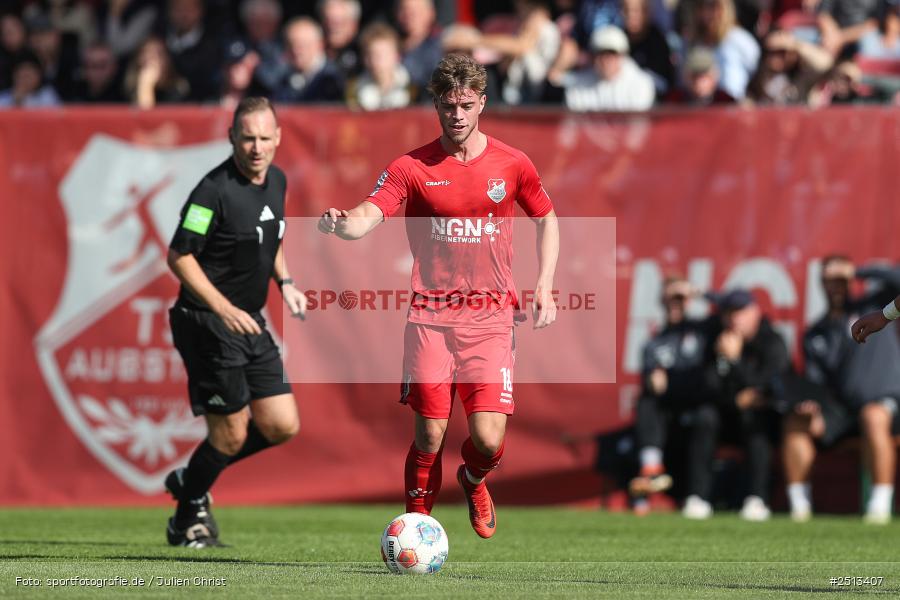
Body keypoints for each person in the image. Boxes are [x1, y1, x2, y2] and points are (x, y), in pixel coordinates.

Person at [317, 54, 559, 539]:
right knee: (429, 433)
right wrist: (343, 225)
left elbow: (546, 218)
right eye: (449, 106)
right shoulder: (411, 166)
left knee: (487, 440)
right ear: (436, 105)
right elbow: (368, 214)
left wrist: (545, 284)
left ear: (482, 103)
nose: (458, 115)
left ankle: (473, 478)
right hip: (430, 317)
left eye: (466, 105)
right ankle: (416, 527)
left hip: (491, 320)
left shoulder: (512, 163)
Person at [165, 97, 307, 547]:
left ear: (278, 137)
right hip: (207, 322)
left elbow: (272, 237)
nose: (257, 147)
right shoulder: (212, 191)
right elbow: (179, 256)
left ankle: (192, 478)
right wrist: (223, 308)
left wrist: (286, 282)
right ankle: (187, 517)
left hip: (249, 321)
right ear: (231, 138)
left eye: (265, 138)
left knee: (281, 425)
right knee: (229, 436)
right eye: (247, 138)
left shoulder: (277, 180)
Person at [793, 257, 900, 524]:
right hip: (843, 411)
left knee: (873, 416)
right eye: (829, 280)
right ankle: (799, 505)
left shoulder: (873, 307)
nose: (836, 286)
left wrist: (859, 270)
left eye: (841, 279)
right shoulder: (816, 331)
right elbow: (817, 382)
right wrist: (815, 408)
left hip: (885, 403)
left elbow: (896, 278)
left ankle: (879, 503)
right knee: (797, 422)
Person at [698, 289, 789, 521]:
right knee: (705, 416)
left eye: (739, 311)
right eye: (728, 313)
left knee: (756, 417)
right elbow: (707, 387)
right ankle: (698, 497)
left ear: (755, 311)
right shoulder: (715, 341)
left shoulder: (772, 341)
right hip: (727, 414)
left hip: (767, 420)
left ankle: (757, 498)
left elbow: (770, 385)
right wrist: (735, 398)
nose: (734, 319)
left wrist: (736, 361)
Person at [629, 277, 717, 515]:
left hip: (699, 404)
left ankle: (698, 497)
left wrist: (697, 291)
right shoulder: (654, 342)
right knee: (646, 401)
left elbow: (730, 308)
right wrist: (653, 378)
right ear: (662, 300)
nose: (674, 303)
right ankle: (651, 470)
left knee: (707, 417)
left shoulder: (703, 330)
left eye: (679, 298)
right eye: (670, 297)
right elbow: (650, 377)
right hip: (668, 411)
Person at [559, 25, 656, 111]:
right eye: (600, 53)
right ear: (592, 57)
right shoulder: (577, 86)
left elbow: (638, 124)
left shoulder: (641, 84)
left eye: (611, 54)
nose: (605, 60)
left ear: (622, 56)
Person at [682, 0, 760, 100]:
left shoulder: (740, 40)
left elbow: (755, 73)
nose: (707, 12)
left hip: (732, 105)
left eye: (712, 6)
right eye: (701, 6)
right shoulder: (690, 42)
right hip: (697, 106)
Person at [346, 23, 416, 110]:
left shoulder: (413, 91)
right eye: (370, 55)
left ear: (397, 56)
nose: (375, 61)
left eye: (383, 55)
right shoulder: (353, 92)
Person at [273, 17, 344, 103]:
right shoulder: (281, 77)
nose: (296, 50)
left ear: (320, 44)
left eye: (302, 45)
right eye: (290, 44)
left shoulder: (334, 79)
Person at [665, 46, 736, 104]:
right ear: (686, 77)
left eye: (705, 75)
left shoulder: (726, 101)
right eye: (695, 75)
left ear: (715, 75)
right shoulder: (673, 101)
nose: (699, 82)